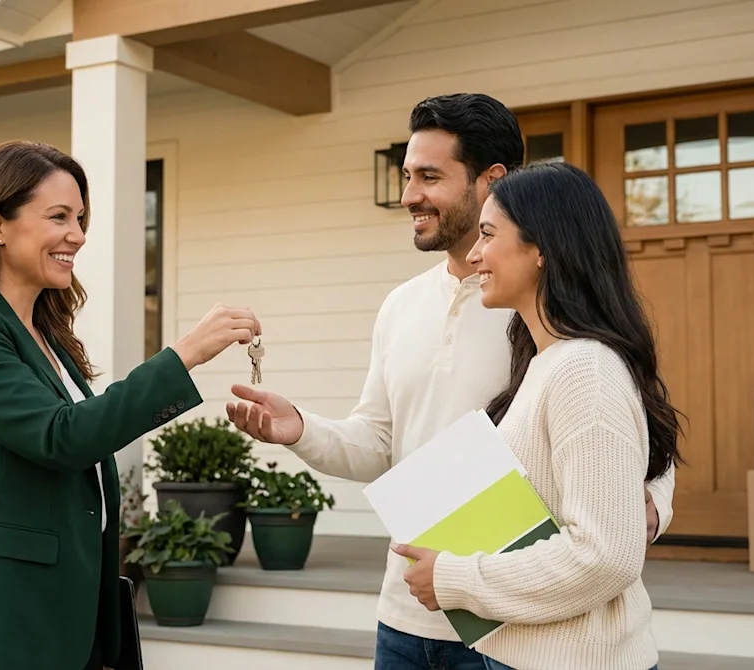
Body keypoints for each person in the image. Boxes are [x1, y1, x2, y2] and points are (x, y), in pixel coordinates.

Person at [225, 94, 676, 670]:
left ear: (491, 179)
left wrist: (640, 515)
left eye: (430, 176)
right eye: (408, 175)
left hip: (517, 620)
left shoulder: (552, 323)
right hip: (409, 610)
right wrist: (301, 430)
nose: (411, 194)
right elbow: (383, 442)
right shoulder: (402, 305)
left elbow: (641, 435)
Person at [0, 140, 260, 670]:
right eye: (58, 216)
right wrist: (184, 356)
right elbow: (62, 437)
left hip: (64, 618)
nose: (78, 236)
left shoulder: (45, 333)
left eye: (80, 218)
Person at [390, 161, 682, 670]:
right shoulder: (546, 364)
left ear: (542, 248)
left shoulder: (584, 371)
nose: (475, 254)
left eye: (487, 234)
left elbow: (605, 558)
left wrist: (454, 578)